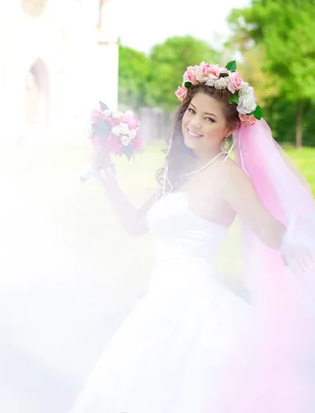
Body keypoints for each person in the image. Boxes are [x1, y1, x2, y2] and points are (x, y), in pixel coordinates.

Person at [69, 61, 315, 413]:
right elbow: (135, 226)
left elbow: (265, 226)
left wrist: (296, 241)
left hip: (197, 310)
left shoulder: (227, 175)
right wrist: (106, 173)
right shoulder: (181, 172)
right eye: (192, 111)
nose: (195, 123)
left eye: (209, 119)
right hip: (158, 304)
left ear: (229, 129)